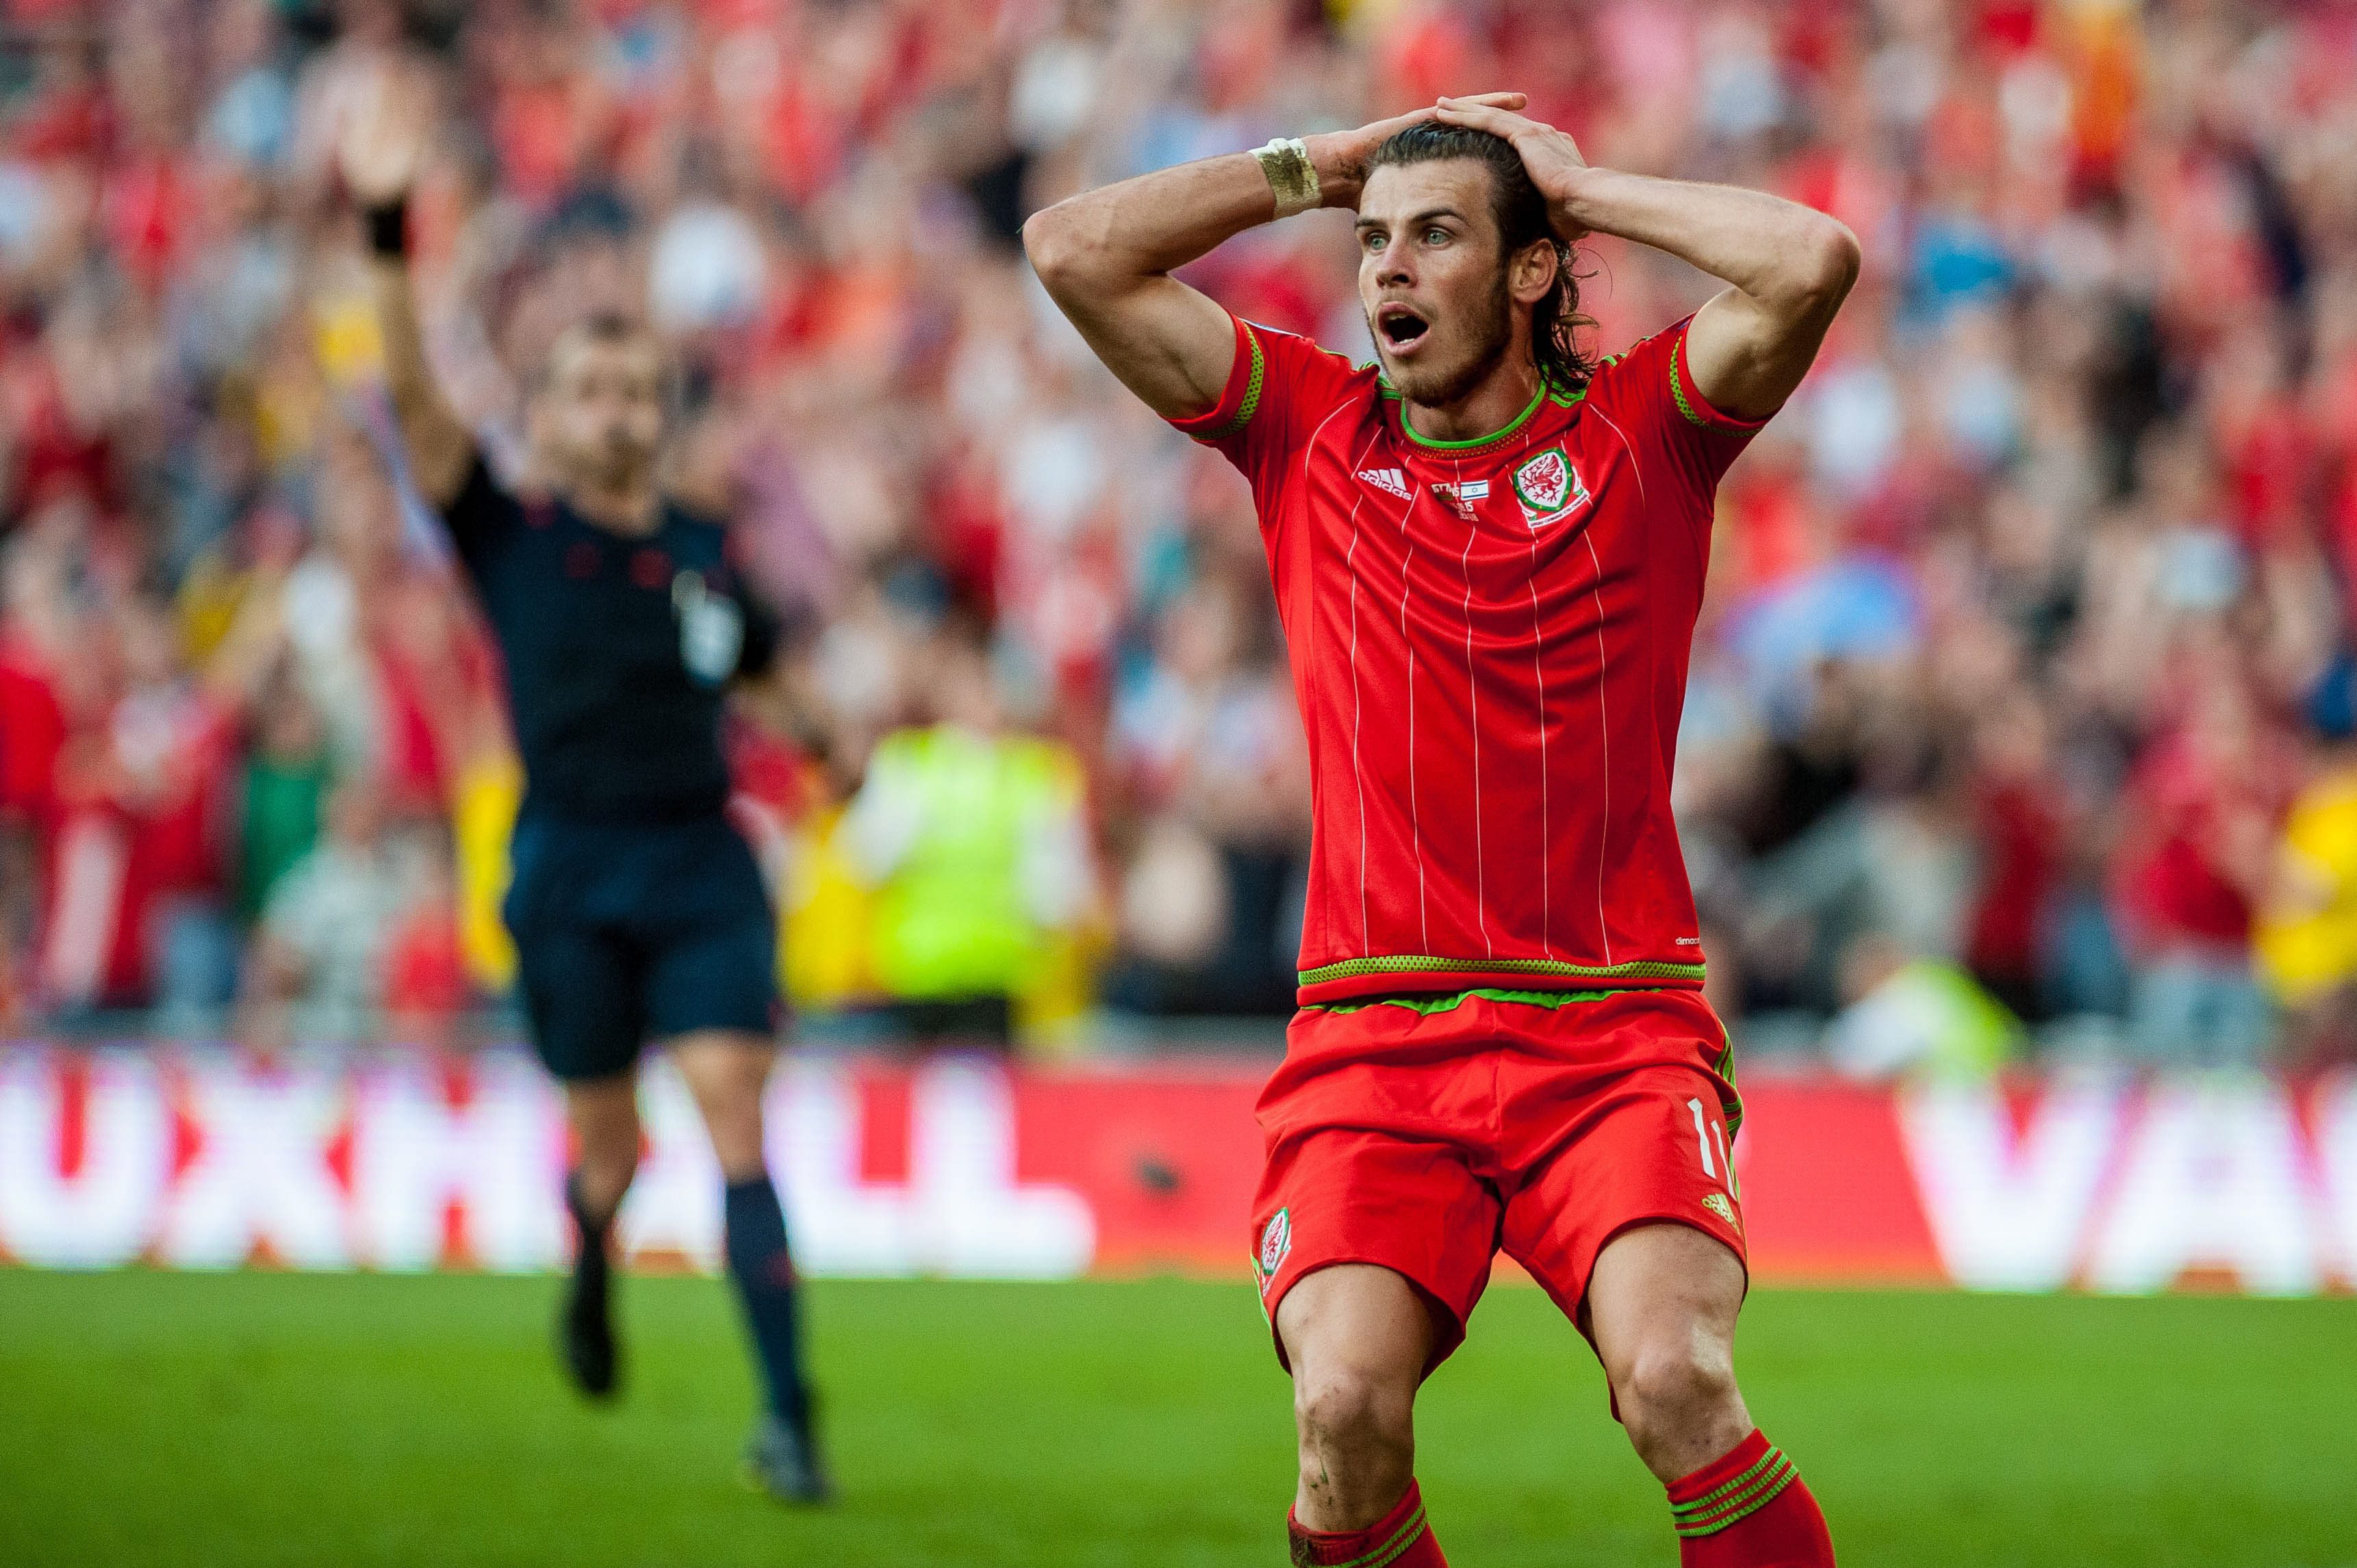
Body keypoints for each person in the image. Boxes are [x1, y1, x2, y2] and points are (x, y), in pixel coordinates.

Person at [1025, 94, 1856, 1566]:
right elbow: (1070, 248)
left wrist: (1580, 190)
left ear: (1530, 271)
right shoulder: (1306, 430)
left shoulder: (1645, 434)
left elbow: (1811, 262)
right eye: (1371, 242)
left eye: (1434, 237)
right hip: (1375, 1041)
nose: (1387, 269)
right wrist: (1317, 168)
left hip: (1612, 1034)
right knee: (1342, 1412)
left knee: (1675, 1381)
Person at [337, 75, 826, 1502]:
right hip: (570, 869)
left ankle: (790, 1415)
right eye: (590, 390)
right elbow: (416, 401)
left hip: (699, 860)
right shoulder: (509, 533)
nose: (616, 410)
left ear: (661, 414)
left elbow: (755, 676)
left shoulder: (704, 548)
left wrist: (831, 741)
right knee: (607, 1147)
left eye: (636, 391)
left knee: (734, 1104)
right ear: (546, 418)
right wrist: (388, 236)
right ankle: (596, 1253)